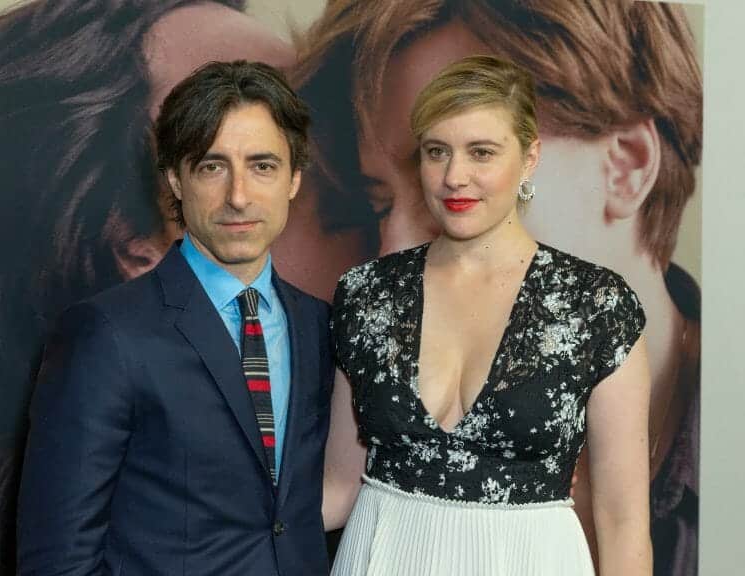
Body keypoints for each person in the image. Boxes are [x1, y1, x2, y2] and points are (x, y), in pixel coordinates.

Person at [295, 2, 701, 573]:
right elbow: (338, 487)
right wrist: (194, 518)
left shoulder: (598, 308)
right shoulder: (367, 293)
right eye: (435, 154)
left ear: (527, 157)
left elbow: (621, 527)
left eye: (482, 151)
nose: (454, 177)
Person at [16, 60, 333, 576]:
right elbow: (57, 558)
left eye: (263, 165)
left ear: (294, 179)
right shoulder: (106, 333)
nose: (239, 196)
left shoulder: (319, 327)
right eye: (212, 166)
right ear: (174, 179)